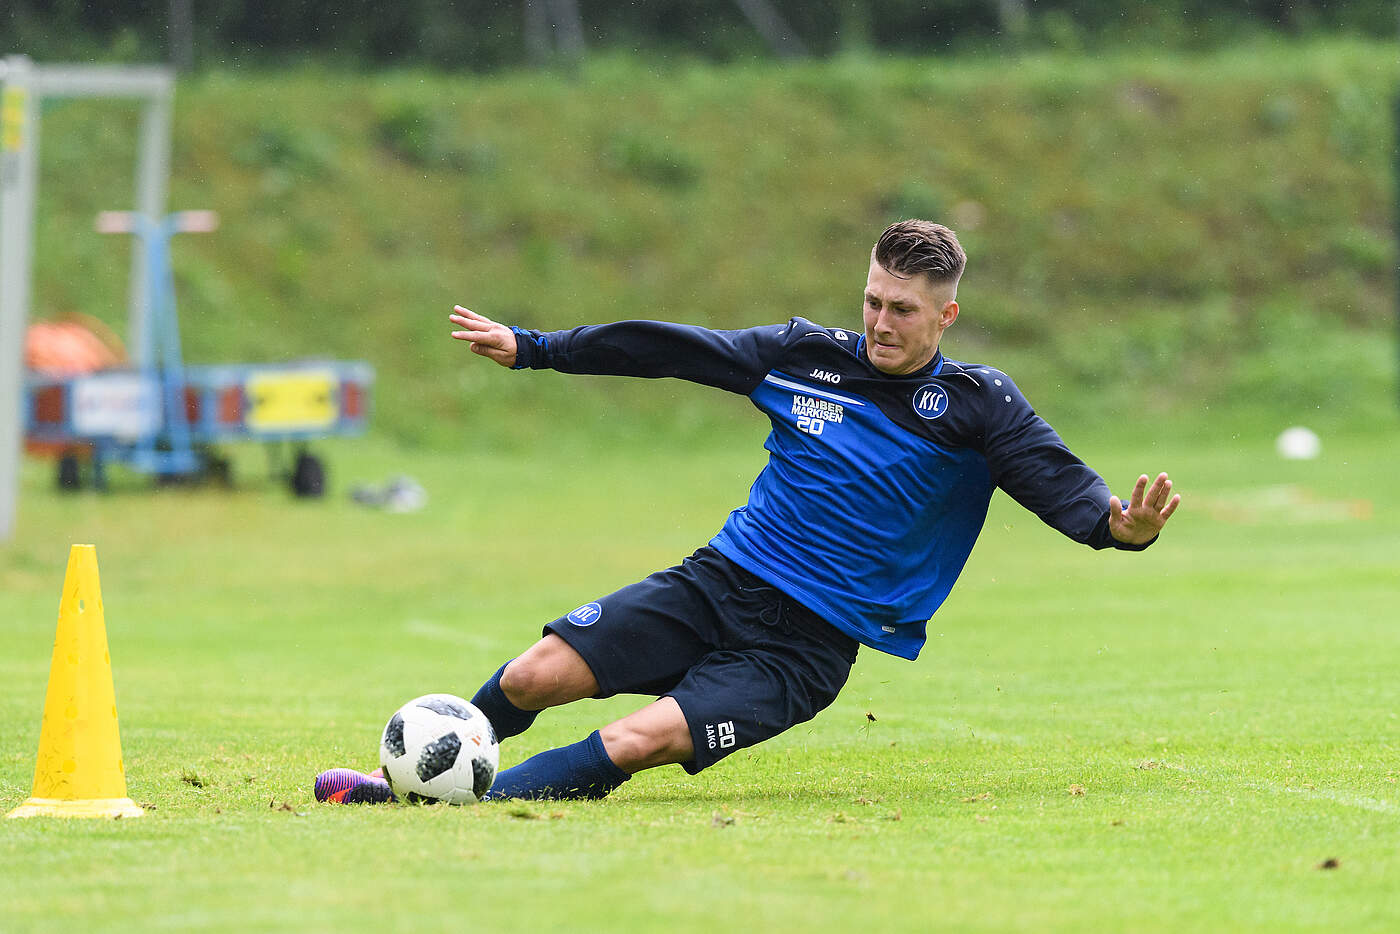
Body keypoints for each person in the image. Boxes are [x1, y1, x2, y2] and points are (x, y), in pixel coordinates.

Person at [314, 219, 1180, 805]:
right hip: (719, 583)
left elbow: (1060, 485)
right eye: (873, 300)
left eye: (903, 310)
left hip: (803, 648)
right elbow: (671, 349)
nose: (880, 322)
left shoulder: (978, 405)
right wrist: (538, 349)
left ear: (946, 315)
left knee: (633, 741)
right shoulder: (806, 357)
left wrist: (1120, 529)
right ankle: (416, 785)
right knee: (531, 677)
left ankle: (448, 803)